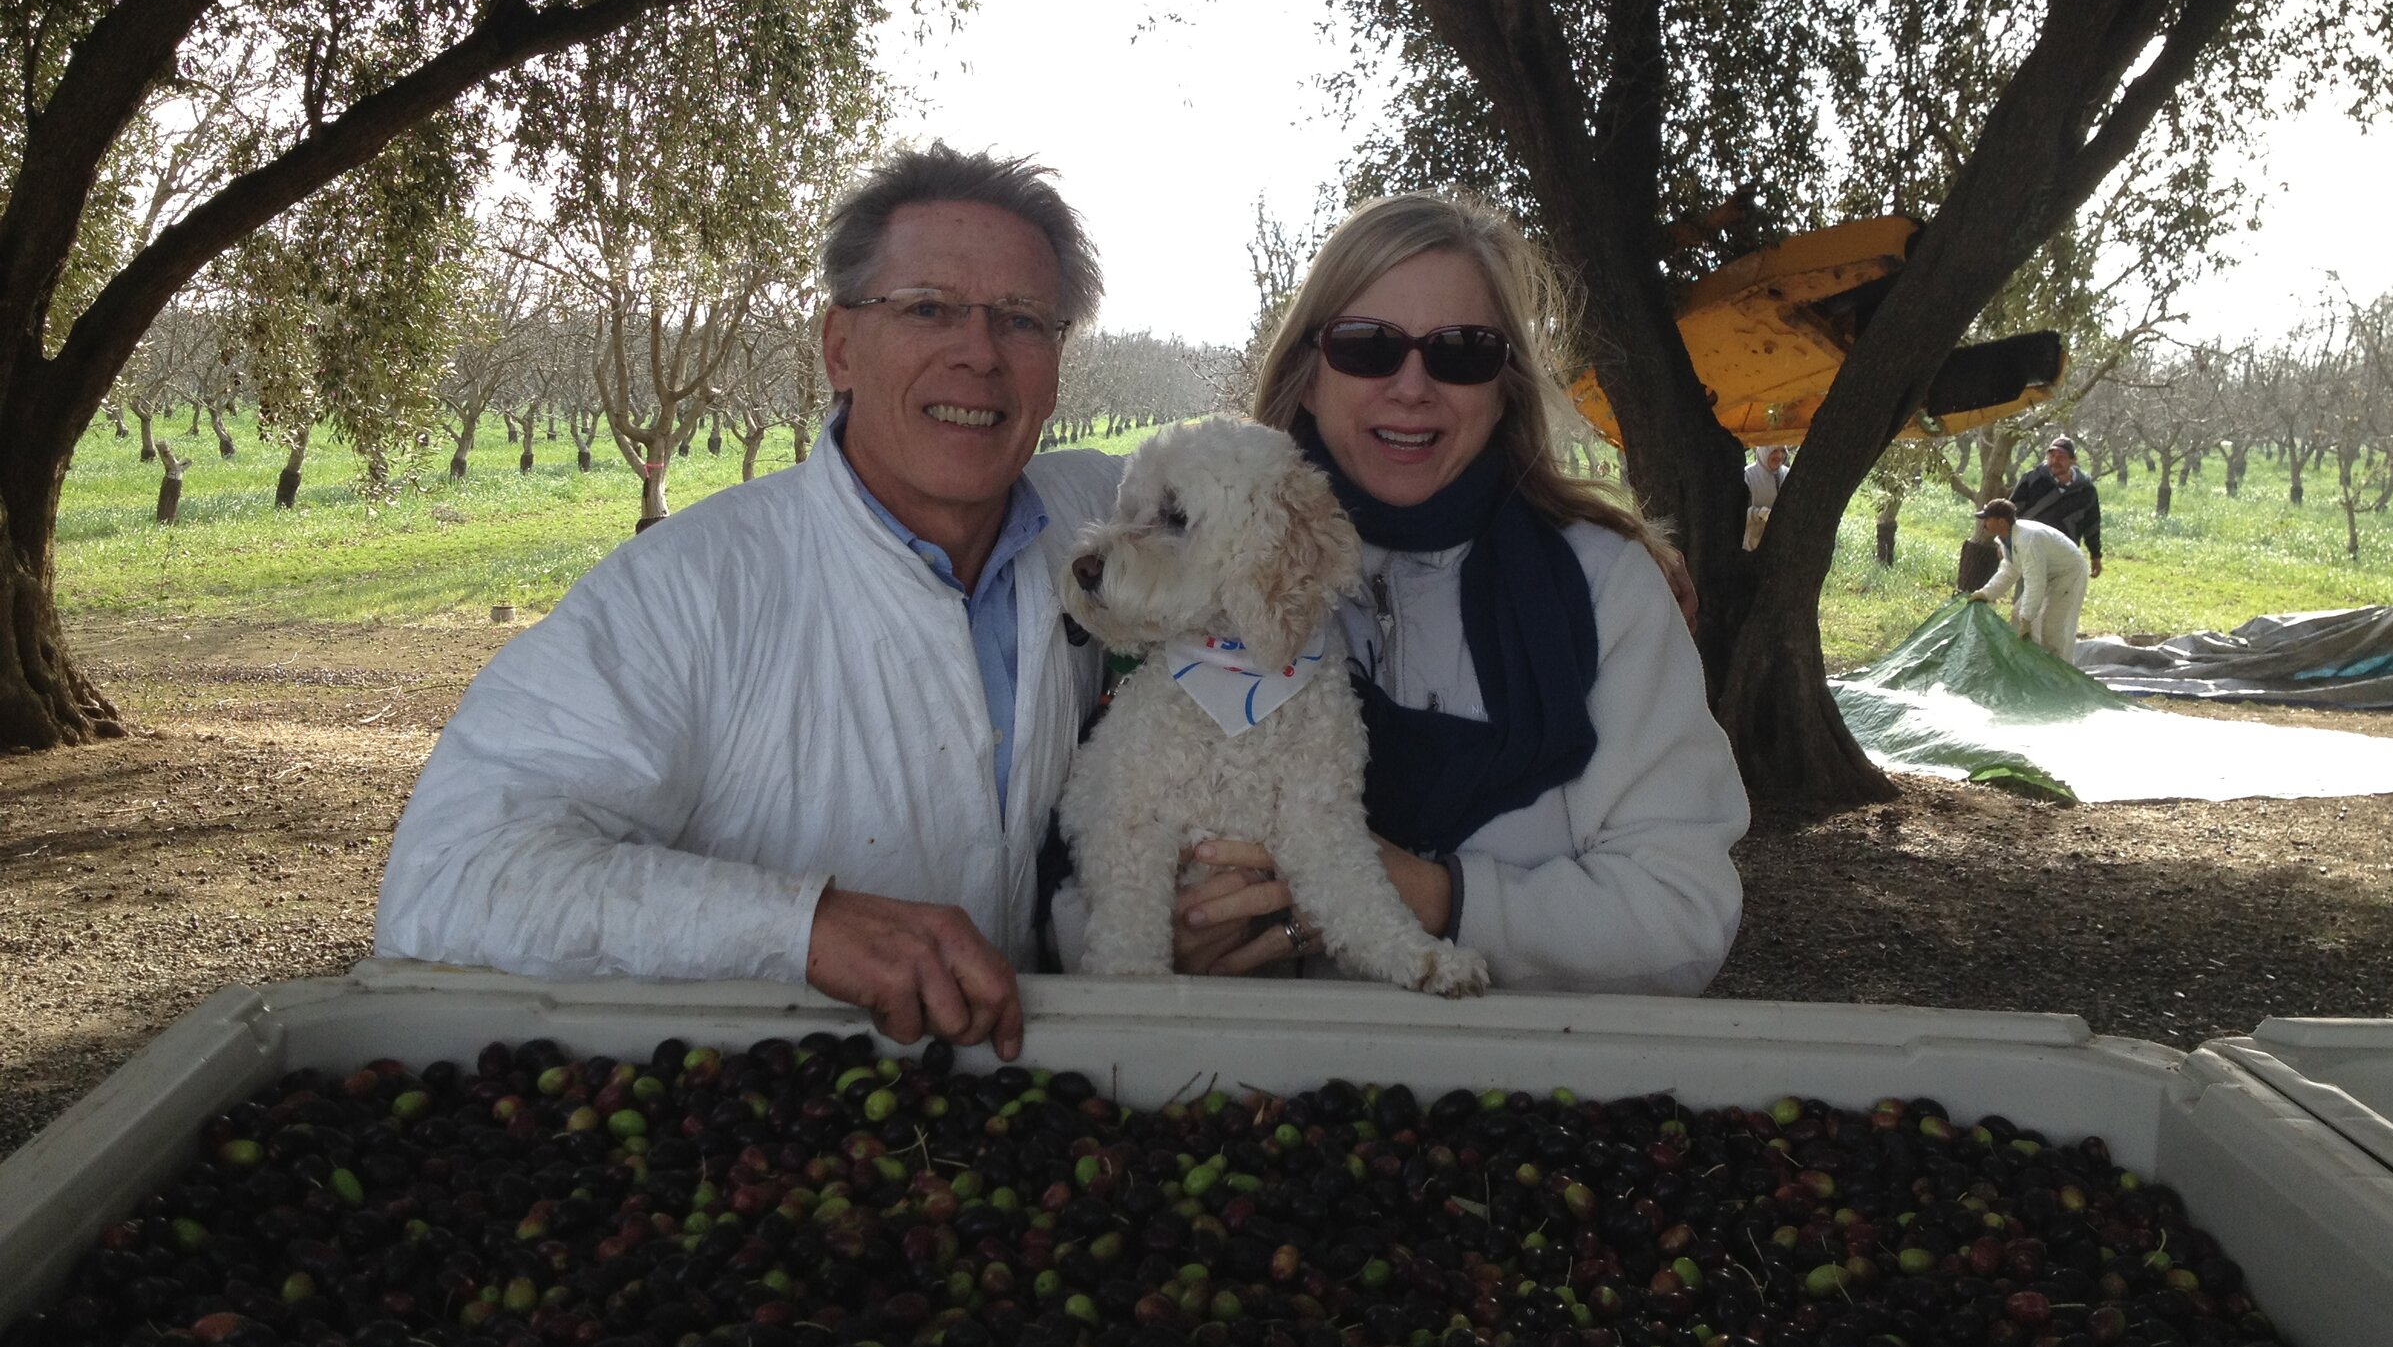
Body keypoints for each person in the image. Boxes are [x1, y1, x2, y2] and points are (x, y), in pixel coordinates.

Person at [373, 144, 1127, 1060]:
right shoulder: (688, 590)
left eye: (1020, 320)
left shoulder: (1102, 525)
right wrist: (801, 928)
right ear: (841, 347)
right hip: (761, 1128)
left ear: (1055, 367)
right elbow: (452, 878)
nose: (977, 353)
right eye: (928, 309)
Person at [1127, 192, 1748, 995]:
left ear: (1504, 385)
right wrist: (1169, 934)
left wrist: (1436, 898)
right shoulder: (1179, 573)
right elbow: (1092, 854)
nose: (1412, 385)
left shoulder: (1606, 590)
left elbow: (1684, 915)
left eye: (1460, 350)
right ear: (1309, 375)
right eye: (1367, 346)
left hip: (1522, 1100)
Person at [1972, 495, 2093, 662]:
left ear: (2001, 522)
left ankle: (2060, 676)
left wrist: (2027, 619)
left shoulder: (2027, 540)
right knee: (2017, 614)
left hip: (2068, 573)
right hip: (2048, 573)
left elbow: (2035, 582)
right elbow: (2010, 570)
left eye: (1987, 519)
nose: (1983, 523)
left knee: (2053, 627)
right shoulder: (2006, 539)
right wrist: (1986, 593)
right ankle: (2027, 663)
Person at [2010, 433, 2103, 579]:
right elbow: (2012, 511)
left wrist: (2095, 555)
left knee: (2059, 599)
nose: (2055, 461)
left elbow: (2092, 525)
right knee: (2028, 597)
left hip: (2064, 554)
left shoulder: (2086, 490)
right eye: (2051, 456)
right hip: (2031, 549)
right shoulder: (2032, 479)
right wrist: (2006, 542)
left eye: (2061, 457)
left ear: (2073, 460)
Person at [1743, 444, 1786, 551]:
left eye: (1783, 451)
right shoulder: (1747, 475)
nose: (1779, 456)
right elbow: (1736, 514)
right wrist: (1759, 514)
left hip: (1781, 548)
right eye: (1774, 451)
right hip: (1752, 547)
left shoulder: (1788, 474)